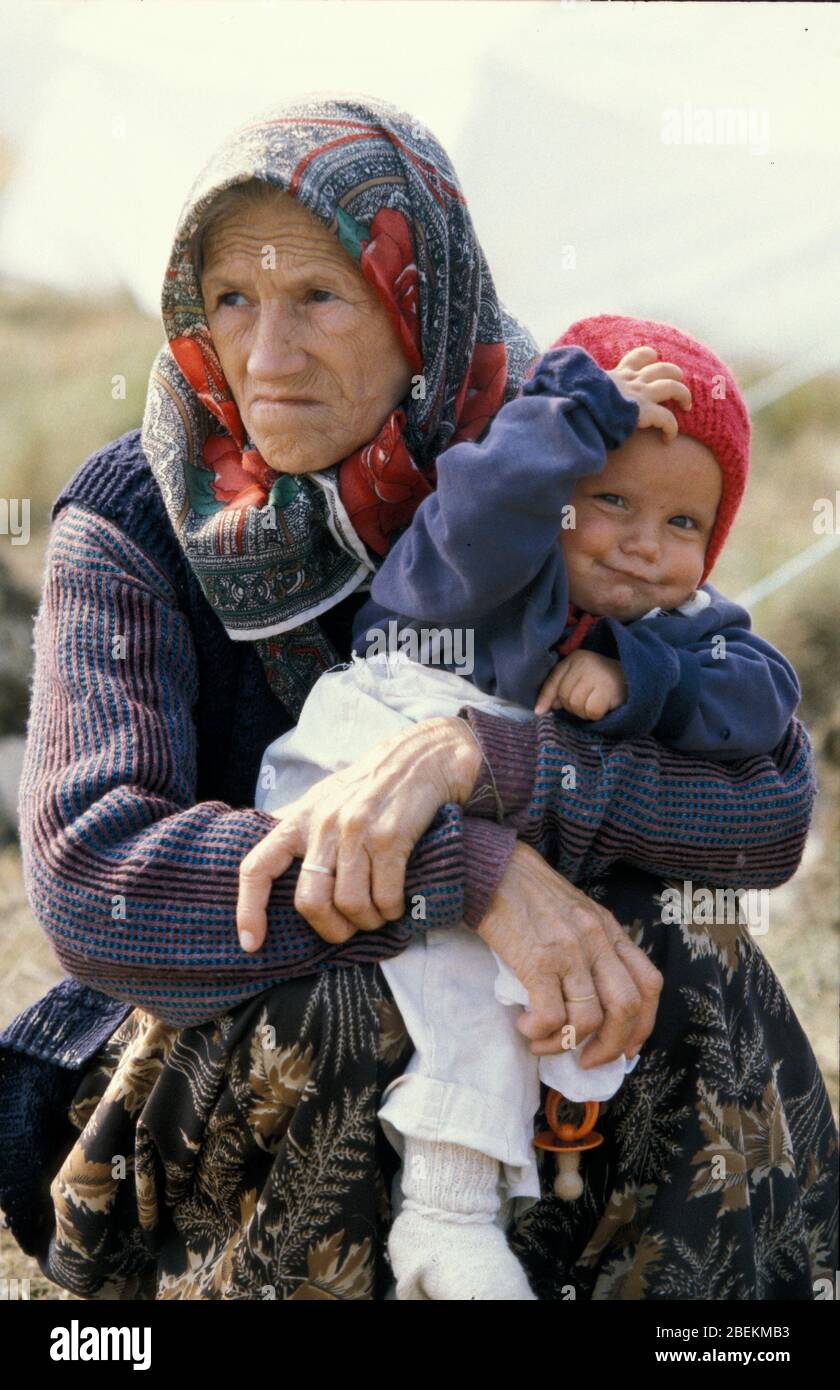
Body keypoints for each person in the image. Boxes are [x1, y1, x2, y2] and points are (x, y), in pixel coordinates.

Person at [0, 95, 834, 1302]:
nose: (267, 356)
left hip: (527, 1045)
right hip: (201, 1065)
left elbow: (764, 811)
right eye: (232, 299)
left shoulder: (554, 449)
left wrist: (498, 765)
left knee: (688, 949)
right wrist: (474, 874)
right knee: (348, 996)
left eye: (320, 297)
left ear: (418, 300)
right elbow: (94, 876)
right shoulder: (135, 515)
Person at [254, 316, 803, 1299]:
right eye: (611, 500)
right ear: (555, 488)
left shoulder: (674, 628)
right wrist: (574, 411)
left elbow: (761, 698)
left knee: (554, 979)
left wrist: (643, 679)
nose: (645, 546)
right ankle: (449, 1211)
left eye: (684, 525)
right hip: (364, 766)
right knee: (454, 964)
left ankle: (532, 1214)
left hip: (493, 820)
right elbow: (483, 505)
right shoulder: (492, 570)